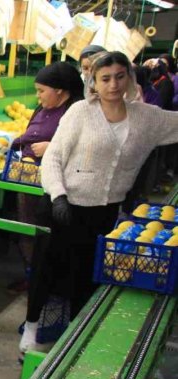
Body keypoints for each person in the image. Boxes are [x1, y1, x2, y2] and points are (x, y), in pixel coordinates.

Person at [20, 52, 178, 352]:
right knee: (47, 268)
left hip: (105, 212)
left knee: (86, 275)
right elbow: (53, 158)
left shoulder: (147, 118)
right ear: (94, 82)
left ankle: (74, 338)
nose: (113, 84)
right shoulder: (81, 112)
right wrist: (59, 196)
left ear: (129, 79)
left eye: (120, 76)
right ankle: (31, 327)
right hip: (64, 205)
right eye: (105, 78)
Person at [8, 62, 84, 292]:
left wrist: (52, 147)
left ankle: (48, 282)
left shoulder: (77, 112)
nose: (38, 96)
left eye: (42, 91)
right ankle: (32, 276)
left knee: (48, 235)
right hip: (29, 179)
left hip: (56, 187)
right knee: (28, 229)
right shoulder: (42, 110)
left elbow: (86, 148)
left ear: (59, 90)